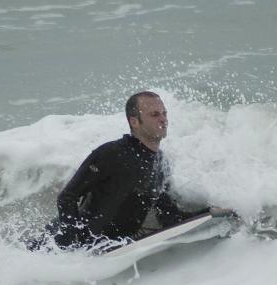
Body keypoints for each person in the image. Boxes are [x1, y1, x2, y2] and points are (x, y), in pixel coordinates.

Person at [32, 91, 215, 251]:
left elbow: (167, 214)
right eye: (154, 114)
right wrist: (76, 241)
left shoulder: (161, 163)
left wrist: (210, 214)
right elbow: (68, 197)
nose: (163, 119)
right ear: (134, 121)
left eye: (164, 113)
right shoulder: (112, 153)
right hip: (57, 247)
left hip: (112, 246)